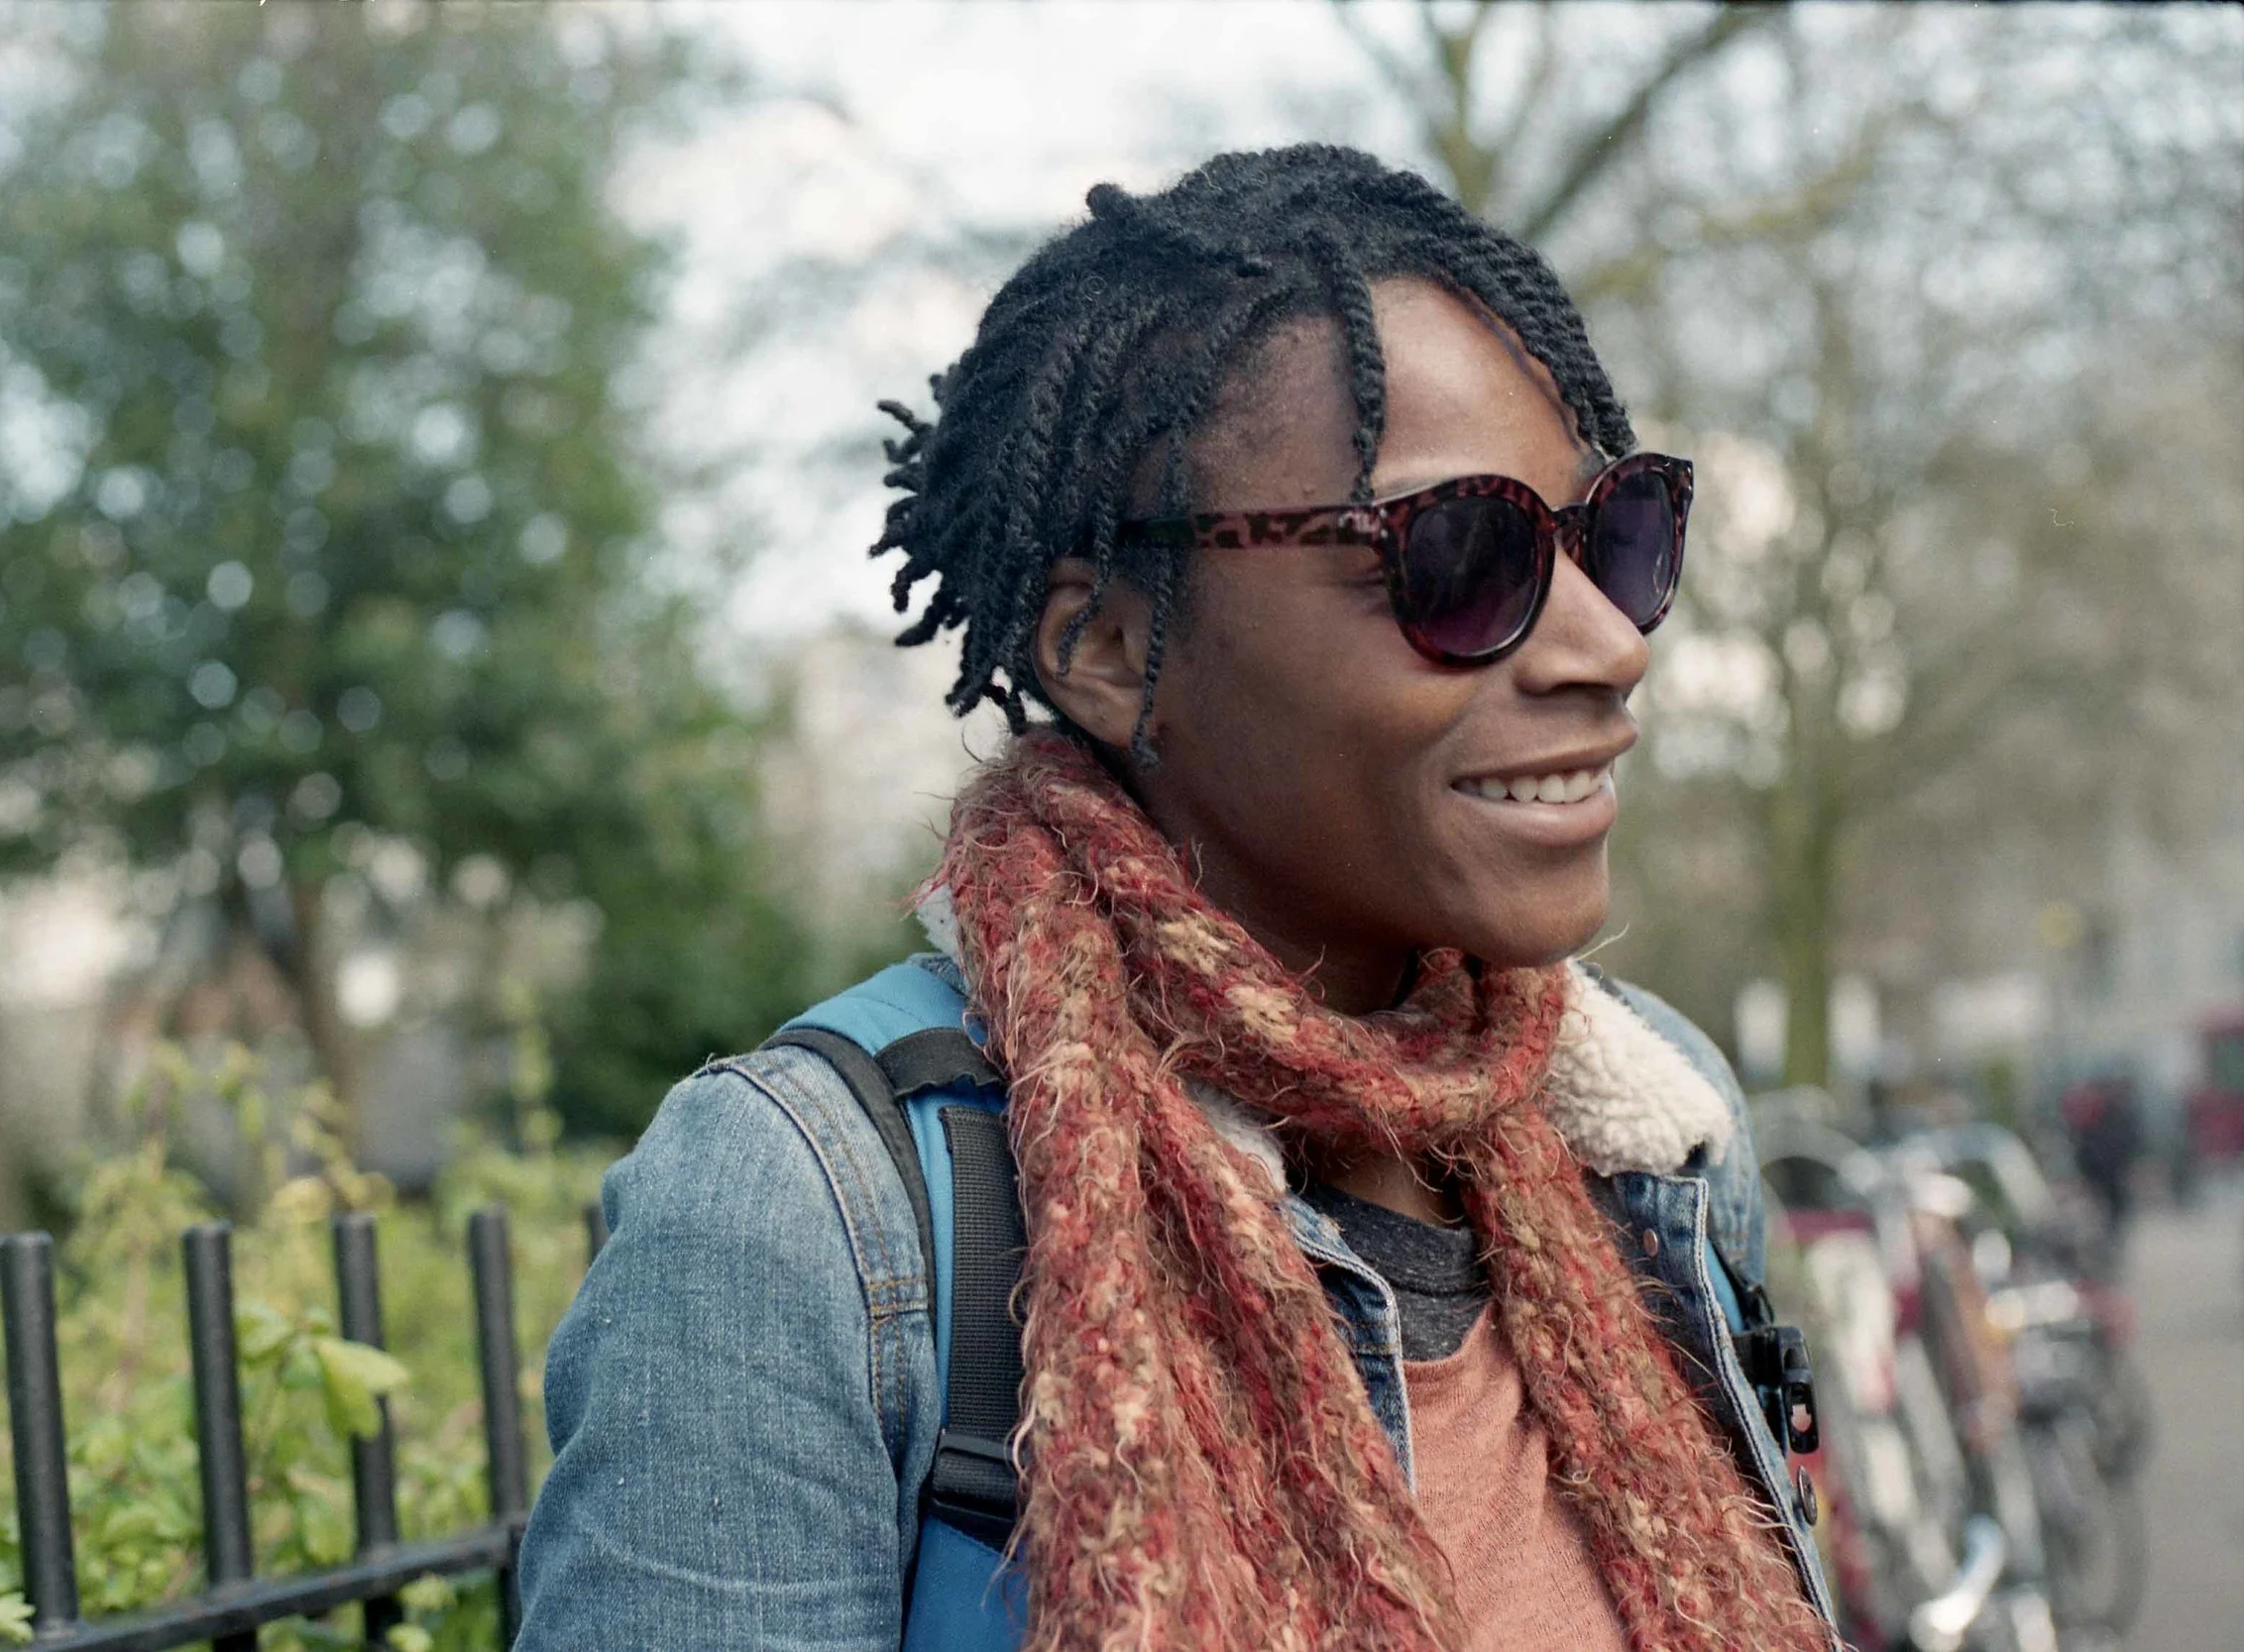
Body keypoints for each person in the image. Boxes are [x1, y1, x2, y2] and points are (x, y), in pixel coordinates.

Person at [515, 145, 1838, 1651]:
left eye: (1617, 535)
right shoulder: (802, 1221)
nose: (1610, 644)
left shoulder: (1653, 1136)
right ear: (1104, 645)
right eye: (1463, 553)